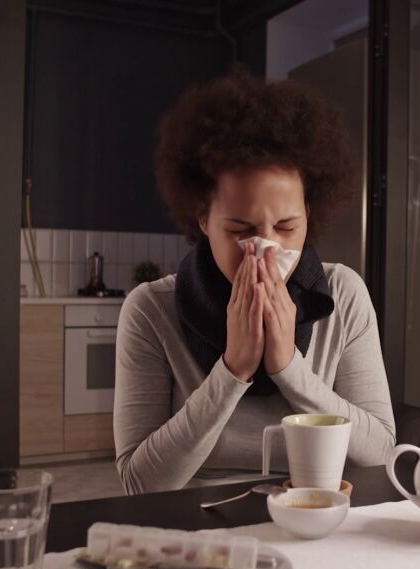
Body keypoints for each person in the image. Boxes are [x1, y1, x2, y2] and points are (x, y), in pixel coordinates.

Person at [114, 69, 395, 495]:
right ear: (203, 218)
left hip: (314, 510)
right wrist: (232, 370)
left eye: (286, 227)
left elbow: (380, 455)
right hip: (196, 517)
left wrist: (288, 368)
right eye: (241, 230)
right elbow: (140, 484)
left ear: (309, 214)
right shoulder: (151, 310)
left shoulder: (345, 295)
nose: (266, 249)